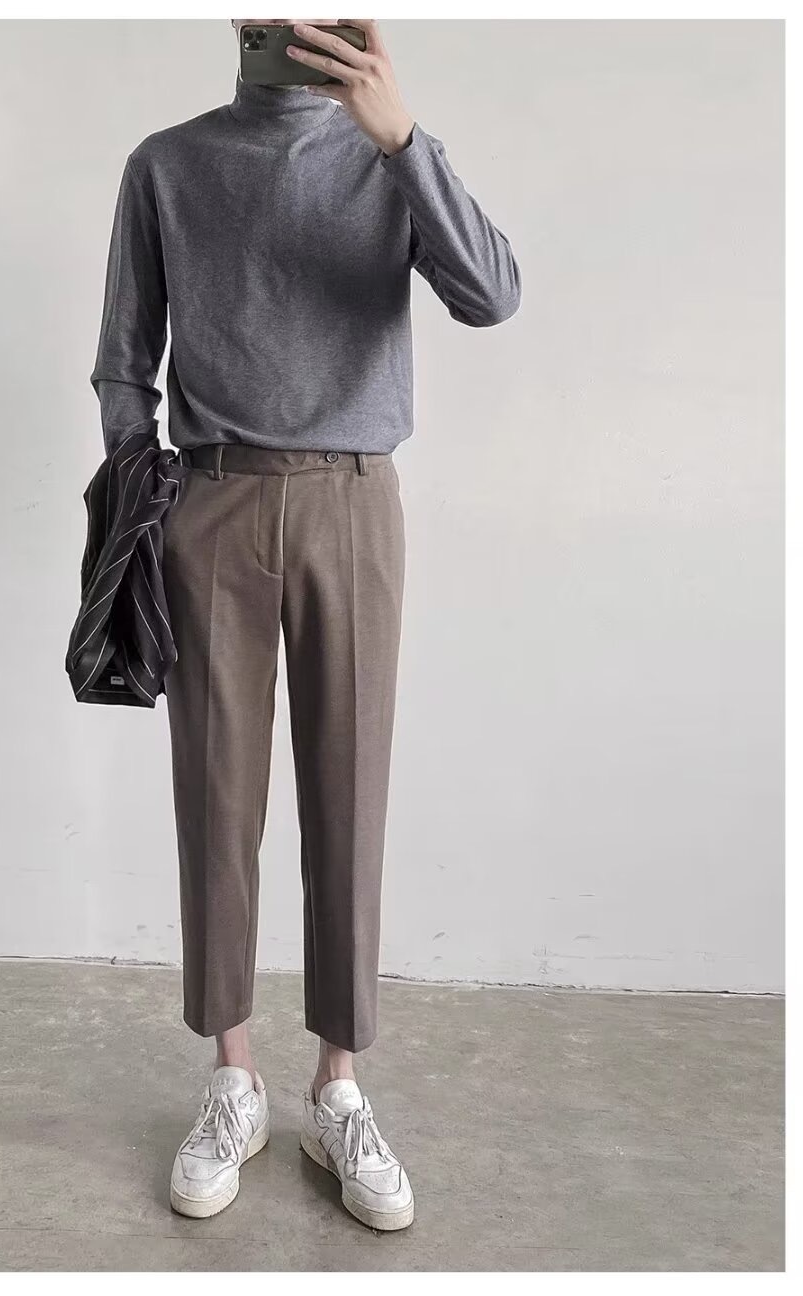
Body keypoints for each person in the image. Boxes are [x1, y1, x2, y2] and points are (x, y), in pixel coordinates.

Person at [90, 17, 520, 1231]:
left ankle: (340, 1086)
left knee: (348, 789)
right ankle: (233, 1078)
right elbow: (124, 357)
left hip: (353, 498)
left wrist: (404, 141)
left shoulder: (390, 155)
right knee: (216, 795)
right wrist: (142, 495)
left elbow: (492, 295)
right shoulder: (168, 163)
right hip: (212, 498)